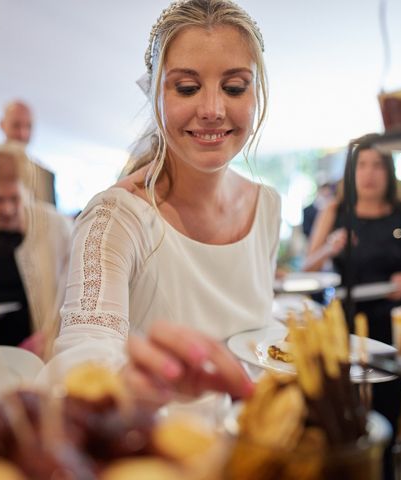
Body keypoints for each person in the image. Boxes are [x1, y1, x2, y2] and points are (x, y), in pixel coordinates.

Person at [46, 0, 279, 404]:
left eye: (234, 87)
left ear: (255, 92)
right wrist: (144, 381)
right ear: (154, 93)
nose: (212, 110)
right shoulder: (115, 218)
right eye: (187, 88)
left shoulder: (268, 207)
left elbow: (256, 337)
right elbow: (83, 354)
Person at [303, 146, 401, 480]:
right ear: (351, 171)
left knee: (386, 417)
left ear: (389, 171)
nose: (370, 173)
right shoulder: (335, 210)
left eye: (378, 165)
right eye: (362, 165)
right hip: (343, 326)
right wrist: (330, 247)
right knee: (341, 417)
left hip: (392, 330)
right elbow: (306, 267)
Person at [0, 142, 72, 348]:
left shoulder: (56, 225)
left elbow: (73, 287)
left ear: (27, 192)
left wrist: (51, 334)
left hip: (42, 347)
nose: (7, 210)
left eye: (15, 199)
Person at [0, 99, 56, 206]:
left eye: (28, 127)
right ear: (2, 125)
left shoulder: (46, 176)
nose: (23, 134)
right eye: (16, 125)